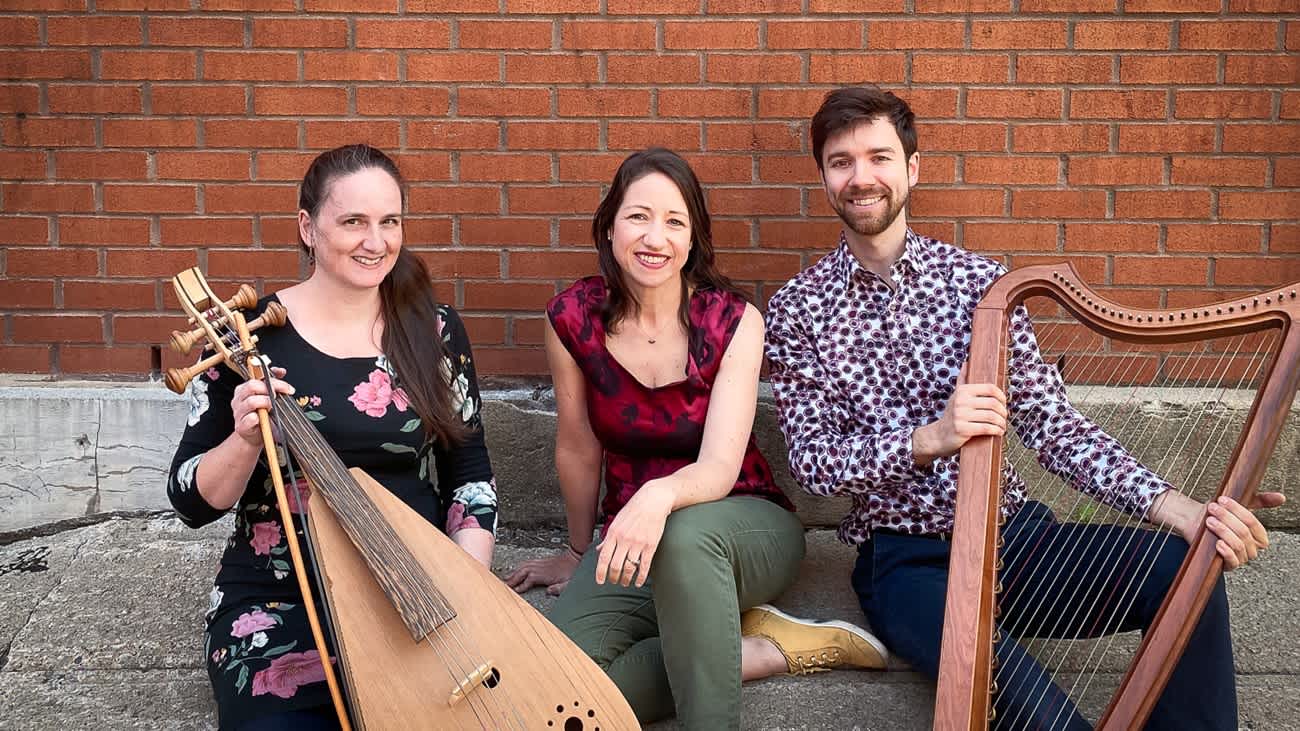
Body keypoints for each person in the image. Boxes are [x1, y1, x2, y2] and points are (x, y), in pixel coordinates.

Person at [763, 86, 1285, 729]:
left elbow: (1051, 425)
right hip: (905, 562)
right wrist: (927, 438)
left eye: (879, 156)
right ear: (824, 176)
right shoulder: (798, 310)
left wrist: (1178, 508)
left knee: (1186, 568)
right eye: (842, 161)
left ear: (912, 168)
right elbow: (814, 464)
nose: (861, 177)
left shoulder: (983, 284)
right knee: (1035, 711)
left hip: (1015, 536)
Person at [504, 147, 886, 730]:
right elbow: (577, 445)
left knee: (684, 534)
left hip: (742, 525)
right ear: (609, 228)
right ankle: (760, 651)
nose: (655, 236)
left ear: (691, 241)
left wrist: (655, 497)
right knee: (555, 687)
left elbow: (716, 469)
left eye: (674, 222)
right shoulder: (571, 318)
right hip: (634, 543)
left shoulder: (731, 322)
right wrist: (582, 552)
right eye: (638, 216)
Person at [166, 144, 498, 731]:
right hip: (280, 600)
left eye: (389, 222)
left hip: (415, 587)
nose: (376, 242)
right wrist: (244, 439)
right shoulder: (243, 341)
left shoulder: (434, 328)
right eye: (353, 222)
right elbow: (190, 499)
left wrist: (466, 591)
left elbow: (469, 474)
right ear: (308, 227)